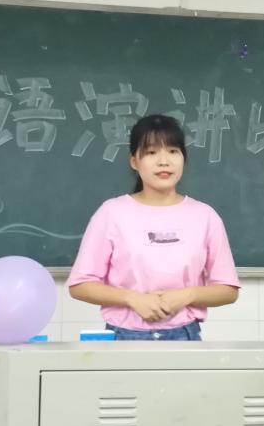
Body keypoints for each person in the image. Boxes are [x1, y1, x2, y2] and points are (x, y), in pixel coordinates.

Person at [66, 114, 239, 340]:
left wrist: (186, 295)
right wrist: (132, 299)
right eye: (151, 152)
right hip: (123, 338)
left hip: (185, 337)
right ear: (134, 161)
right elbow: (80, 285)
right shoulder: (112, 213)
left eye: (173, 151)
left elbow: (228, 290)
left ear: (183, 158)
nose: (164, 161)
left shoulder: (205, 215)